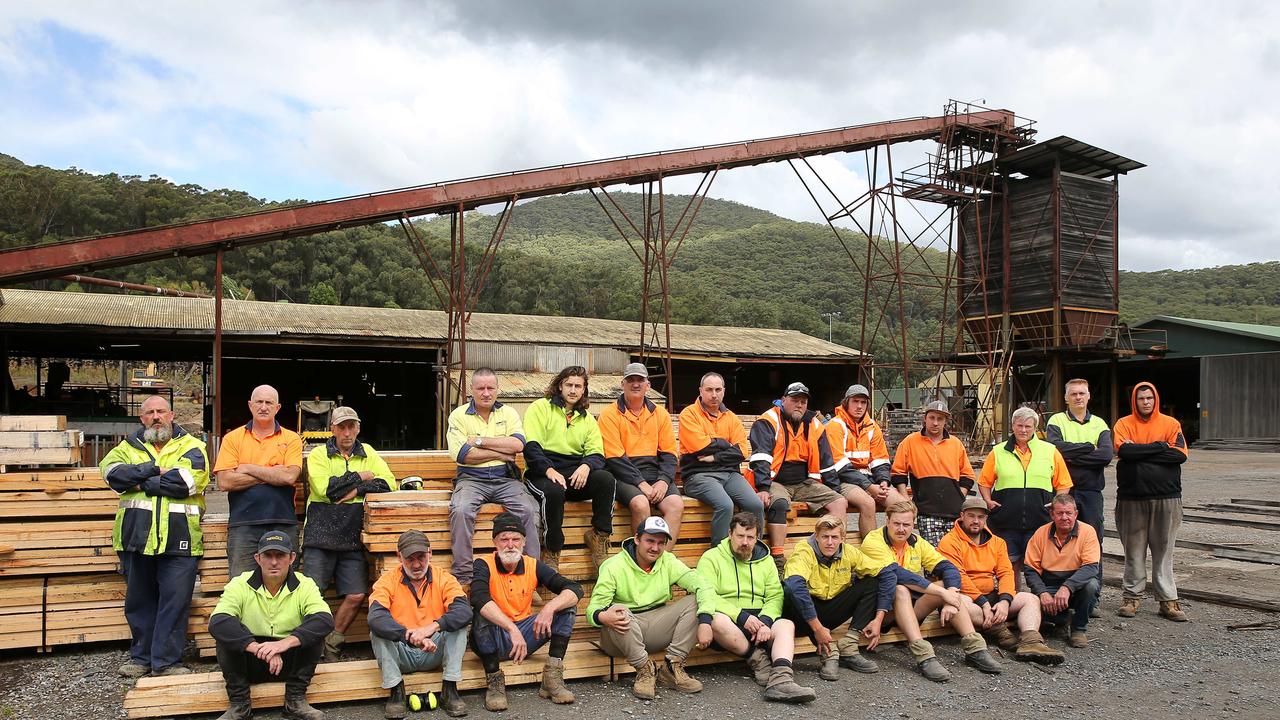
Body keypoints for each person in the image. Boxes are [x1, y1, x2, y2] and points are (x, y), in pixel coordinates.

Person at [101, 395, 210, 678]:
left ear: (172, 415)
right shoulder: (127, 446)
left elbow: (187, 482)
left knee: (174, 602)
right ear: (142, 418)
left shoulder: (193, 447)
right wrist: (153, 471)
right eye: (149, 412)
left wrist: (139, 481)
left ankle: (166, 662)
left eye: (161, 411)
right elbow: (113, 475)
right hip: (136, 537)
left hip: (180, 538)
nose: (156, 416)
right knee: (139, 602)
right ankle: (141, 659)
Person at [860, 501, 1004, 678]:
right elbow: (898, 574)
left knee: (945, 585)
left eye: (906, 525)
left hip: (911, 608)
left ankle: (975, 650)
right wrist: (943, 594)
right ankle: (924, 656)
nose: (901, 529)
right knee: (901, 589)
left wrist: (950, 594)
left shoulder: (916, 542)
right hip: (880, 610)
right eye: (896, 524)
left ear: (913, 524)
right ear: (887, 520)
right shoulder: (873, 540)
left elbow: (948, 567)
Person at [302, 406, 396, 661]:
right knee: (311, 595)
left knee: (356, 594)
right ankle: (308, 647)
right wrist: (361, 476)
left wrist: (355, 490)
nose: (346, 432)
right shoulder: (319, 455)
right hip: (320, 534)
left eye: (351, 426)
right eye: (341, 427)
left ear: (358, 428)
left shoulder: (369, 453)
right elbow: (325, 489)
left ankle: (331, 643)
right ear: (332, 429)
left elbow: (389, 483)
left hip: (352, 535)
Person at [587, 516, 716, 700]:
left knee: (697, 600)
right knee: (618, 610)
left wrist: (705, 621)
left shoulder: (668, 561)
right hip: (620, 636)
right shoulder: (614, 565)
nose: (655, 548)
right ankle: (645, 670)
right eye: (650, 541)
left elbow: (702, 585)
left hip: (655, 626)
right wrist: (602, 616)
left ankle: (671, 668)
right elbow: (593, 608)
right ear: (637, 538)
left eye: (661, 543)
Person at [209, 530, 331, 720]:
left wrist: (283, 644)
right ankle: (239, 705)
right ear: (257, 558)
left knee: (313, 634)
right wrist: (258, 648)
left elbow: (324, 619)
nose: (274, 562)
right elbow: (218, 621)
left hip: (290, 662)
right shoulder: (239, 584)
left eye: (280, 555)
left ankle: (295, 701)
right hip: (252, 661)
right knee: (226, 635)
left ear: (291, 558)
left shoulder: (305, 584)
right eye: (268, 555)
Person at [696, 512, 815, 703]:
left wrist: (766, 621)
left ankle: (781, 678)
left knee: (786, 625)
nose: (745, 542)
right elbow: (707, 594)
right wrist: (741, 617)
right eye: (740, 536)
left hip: (760, 620)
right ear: (729, 534)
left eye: (750, 537)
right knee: (715, 620)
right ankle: (758, 660)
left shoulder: (765, 559)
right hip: (731, 621)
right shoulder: (711, 558)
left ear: (757, 537)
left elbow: (775, 595)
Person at [471, 513, 582, 711]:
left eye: (516, 539)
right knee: (481, 613)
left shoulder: (532, 564)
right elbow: (478, 598)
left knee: (567, 606)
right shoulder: (483, 564)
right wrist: (511, 628)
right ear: (495, 542)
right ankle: (494, 682)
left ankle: (552, 679)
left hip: (524, 637)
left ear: (524, 542)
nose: (510, 544)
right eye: (504, 539)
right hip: (493, 637)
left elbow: (574, 589)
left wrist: (549, 607)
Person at [937, 497, 1065, 664]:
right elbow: (959, 576)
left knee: (1031, 599)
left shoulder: (997, 542)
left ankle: (1031, 641)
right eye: (971, 516)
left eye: (981, 517)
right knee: (958, 604)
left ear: (986, 519)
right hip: (964, 595)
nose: (976, 521)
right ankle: (999, 630)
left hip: (990, 595)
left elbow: (1005, 573)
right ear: (962, 516)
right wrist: (983, 603)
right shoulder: (949, 542)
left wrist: (1005, 600)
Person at [446, 368, 540, 587]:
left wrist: (478, 441)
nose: (486, 393)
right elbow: (461, 455)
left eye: (490, 388)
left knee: (528, 510)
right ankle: (464, 578)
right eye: (480, 388)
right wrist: (501, 452)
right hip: (471, 479)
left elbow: (518, 445)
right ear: (471, 390)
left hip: (505, 479)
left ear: (497, 389)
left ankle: (531, 576)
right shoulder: (459, 415)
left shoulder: (509, 413)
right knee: (460, 510)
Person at [521, 366, 615, 575]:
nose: (573, 390)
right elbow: (531, 446)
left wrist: (586, 466)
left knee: (606, 480)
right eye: (569, 385)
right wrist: (549, 470)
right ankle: (553, 550)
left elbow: (597, 453)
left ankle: (599, 537)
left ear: (584, 390)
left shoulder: (587, 418)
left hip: (574, 470)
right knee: (554, 491)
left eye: (578, 386)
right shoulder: (540, 407)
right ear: (560, 386)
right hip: (541, 470)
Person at [368, 530, 471, 718]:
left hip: (434, 650)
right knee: (377, 631)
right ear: (399, 557)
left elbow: (464, 611)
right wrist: (410, 636)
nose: (416, 565)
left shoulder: (444, 578)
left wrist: (431, 628)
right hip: (403, 652)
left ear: (430, 553)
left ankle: (450, 689)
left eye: (421, 557)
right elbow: (376, 617)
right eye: (410, 559)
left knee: (459, 625)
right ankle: (396, 692)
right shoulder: (386, 581)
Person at [748, 382, 847, 576]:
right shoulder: (768, 420)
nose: (799, 405)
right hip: (775, 479)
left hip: (804, 482)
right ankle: (778, 558)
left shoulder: (814, 424)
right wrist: (762, 487)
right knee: (779, 503)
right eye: (795, 400)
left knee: (839, 501)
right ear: (783, 400)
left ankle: (835, 552)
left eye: (803, 401)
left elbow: (826, 460)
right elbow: (761, 456)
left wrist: (835, 488)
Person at [780, 514, 893, 681]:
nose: (830, 542)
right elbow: (794, 586)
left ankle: (849, 646)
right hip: (802, 617)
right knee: (792, 591)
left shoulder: (849, 552)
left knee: (872, 582)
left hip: (831, 609)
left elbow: (887, 573)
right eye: (825, 537)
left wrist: (878, 618)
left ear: (843, 538)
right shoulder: (804, 551)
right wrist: (818, 628)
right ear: (816, 536)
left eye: (834, 537)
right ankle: (829, 654)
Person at [1112, 381, 1189, 622]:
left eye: (1149, 398)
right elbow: (1124, 453)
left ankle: (1168, 601)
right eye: (1141, 399)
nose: (1146, 402)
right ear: (1134, 401)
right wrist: (1159, 446)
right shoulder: (1123, 424)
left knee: (1164, 551)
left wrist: (1140, 451)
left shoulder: (1171, 424)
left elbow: (1178, 455)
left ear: (1155, 400)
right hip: (1132, 499)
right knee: (1133, 551)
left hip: (1167, 497)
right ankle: (1131, 598)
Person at [214, 385, 304, 579]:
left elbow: (289, 477)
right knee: (241, 584)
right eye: (259, 402)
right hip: (243, 524)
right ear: (250, 405)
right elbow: (224, 481)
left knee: (286, 582)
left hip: (283, 522)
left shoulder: (292, 438)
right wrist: (273, 473)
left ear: (278, 407)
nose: (263, 407)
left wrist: (247, 467)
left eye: (269, 402)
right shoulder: (232, 439)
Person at [976, 406, 1074, 581]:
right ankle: (1012, 601)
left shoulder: (1050, 451)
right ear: (1013, 425)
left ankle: (1039, 602)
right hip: (1005, 521)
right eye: (1019, 425)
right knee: (1009, 565)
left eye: (1028, 427)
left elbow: (1064, 483)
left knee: (1038, 565)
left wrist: (1056, 503)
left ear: (1035, 428)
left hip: (1040, 521)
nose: (1023, 430)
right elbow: (984, 482)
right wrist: (988, 501)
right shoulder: (998, 451)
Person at [598, 363, 684, 540]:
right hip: (623, 476)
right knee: (640, 504)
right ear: (622, 384)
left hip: (655, 473)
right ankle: (640, 559)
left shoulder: (661, 414)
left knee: (676, 504)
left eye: (640, 380)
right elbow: (615, 458)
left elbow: (668, 453)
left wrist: (663, 481)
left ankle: (662, 560)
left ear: (648, 385)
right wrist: (640, 483)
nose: (635, 384)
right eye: (631, 380)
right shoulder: (609, 414)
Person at [679, 372, 762, 547]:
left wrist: (715, 456)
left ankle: (754, 550)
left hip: (730, 474)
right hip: (698, 475)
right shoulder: (689, 414)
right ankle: (719, 554)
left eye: (718, 389)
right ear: (701, 391)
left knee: (755, 505)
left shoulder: (731, 417)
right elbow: (698, 446)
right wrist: (725, 443)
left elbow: (742, 451)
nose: (714, 394)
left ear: (724, 391)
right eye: (709, 390)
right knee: (725, 505)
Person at [889, 400, 976, 546]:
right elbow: (898, 473)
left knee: (954, 555)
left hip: (954, 512)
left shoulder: (956, 444)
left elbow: (967, 475)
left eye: (940, 419)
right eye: (932, 418)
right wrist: (906, 499)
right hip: (926, 512)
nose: (935, 423)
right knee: (933, 559)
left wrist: (960, 495)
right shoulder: (910, 442)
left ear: (946, 421)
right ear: (925, 418)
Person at [825, 384, 908, 537]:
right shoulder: (835, 426)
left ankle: (897, 547)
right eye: (855, 401)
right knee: (868, 503)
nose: (859, 406)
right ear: (846, 403)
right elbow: (840, 466)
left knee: (903, 506)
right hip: (843, 480)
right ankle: (872, 551)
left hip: (869, 480)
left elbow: (880, 459)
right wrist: (870, 487)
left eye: (863, 403)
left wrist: (883, 481)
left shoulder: (872, 426)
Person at [1023, 494, 1102, 648]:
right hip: (1049, 583)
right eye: (1059, 513)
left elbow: (1091, 567)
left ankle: (1078, 629)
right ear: (1052, 514)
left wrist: (1067, 587)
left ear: (1076, 514)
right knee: (1028, 607)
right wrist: (1042, 593)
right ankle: (1062, 620)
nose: (1064, 517)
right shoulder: (1041, 533)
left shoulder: (1088, 532)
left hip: (1077, 584)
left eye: (1068, 513)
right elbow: (1030, 569)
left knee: (1091, 586)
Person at [1045, 379, 1113, 547]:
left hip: (1091, 492)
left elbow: (1105, 456)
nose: (1078, 397)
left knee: (1093, 538)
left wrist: (1070, 457)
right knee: (1061, 537)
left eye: (1082, 393)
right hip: (1064, 492)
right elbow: (1055, 450)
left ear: (1088, 396)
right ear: (1066, 398)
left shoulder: (1099, 423)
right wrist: (1090, 447)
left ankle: (1094, 574)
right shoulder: (1056, 420)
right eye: (1073, 394)